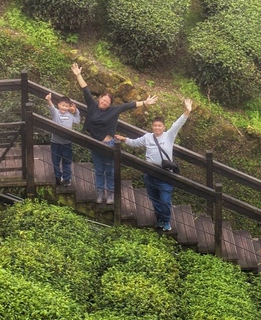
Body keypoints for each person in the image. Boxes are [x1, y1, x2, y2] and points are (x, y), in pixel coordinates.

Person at [72, 62, 157, 204]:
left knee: (110, 171)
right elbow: (85, 89)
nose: (104, 102)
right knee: (98, 170)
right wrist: (78, 75)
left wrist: (145, 103)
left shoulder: (113, 111)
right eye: (103, 99)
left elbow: (128, 105)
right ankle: (99, 193)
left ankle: (110, 194)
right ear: (99, 99)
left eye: (107, 101)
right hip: (95, 144)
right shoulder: (92, 106)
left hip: (109, 144)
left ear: (110, 104)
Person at [116, 99, 193, 232]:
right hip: (150, 173)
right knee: (154, 199)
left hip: (165, 174)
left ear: (163, 127)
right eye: (155, 126)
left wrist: (186, 111)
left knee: (164, 200)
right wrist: (124, 139)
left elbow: (177, 124)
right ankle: (159, 219)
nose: (157, 128)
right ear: (152, 127)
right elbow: (135, 143)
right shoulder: (147, 137)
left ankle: (166, 220)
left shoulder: (169, 136)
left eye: (160, 126)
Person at [45, 92, 79, 186]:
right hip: (55, 142)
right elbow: (52, 108)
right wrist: (49, 100)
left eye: (66, 106)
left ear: (69, 107)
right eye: (63, 105)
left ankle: (67, 178)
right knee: (55, 161)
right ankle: (57, 177)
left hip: (67, 143)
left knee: (67, 161)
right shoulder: (56, 113)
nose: (64, 108)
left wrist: (75, 111)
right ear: (59, 105)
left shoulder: (71, 115)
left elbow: (77, 120)